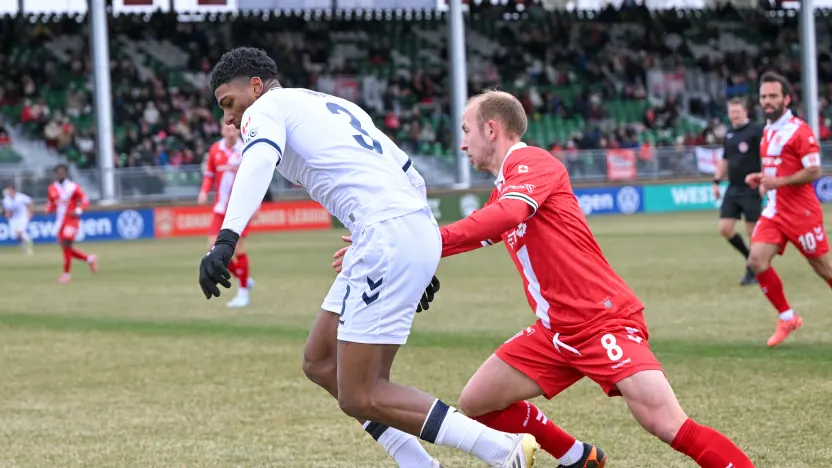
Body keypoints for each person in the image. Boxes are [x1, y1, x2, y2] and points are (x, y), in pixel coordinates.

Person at [333, 89, 755, 468]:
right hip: (555, 330)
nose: (462, 144)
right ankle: (578, 457)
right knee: (479, 401)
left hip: (601, 321)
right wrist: (393, 249)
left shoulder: (533, 162)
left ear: (491, 129)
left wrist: (416, 241)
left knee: (667, 424)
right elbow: (475, 233)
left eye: (466, 131)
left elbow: (507, 215)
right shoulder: (505, 186)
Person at [196, 47, 538, 468]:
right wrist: (421, 251)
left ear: (255, 86)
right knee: (321, 362)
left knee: (362, 392)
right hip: (396, 231)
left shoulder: (265, 108)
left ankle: (501, 450)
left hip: (384, 235)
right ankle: (420, 464)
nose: (230, 117)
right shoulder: (335, 105)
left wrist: (226, 239)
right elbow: (412, 175)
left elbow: (260, 160)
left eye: (229, 103)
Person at [744, 71, 831, 347]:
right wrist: (762, 178)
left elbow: (814, 170)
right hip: (775, 211)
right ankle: (787, 317)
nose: (767, 101)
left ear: (786, 99)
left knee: (825, 270)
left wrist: (778, 181)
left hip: (802, 213)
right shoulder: (768, 129)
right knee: (756, 260)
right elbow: (778, 168)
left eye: (773, 96)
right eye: (763, 96)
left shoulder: (799, 130)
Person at [198, 121, 256, 308]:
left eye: (233, 129)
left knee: (238, 250)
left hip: (240, 209)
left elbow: (255, 179)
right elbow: (209, 175)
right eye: (227, 129)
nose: (231, 132)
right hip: (220, 208)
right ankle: (242, 277)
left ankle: (243, 293)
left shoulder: (245, 149)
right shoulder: (215, 149)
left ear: (238, 130)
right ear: (222, 130)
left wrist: (255, 206)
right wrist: (204, 191)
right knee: (212, 248)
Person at [713, 97, 764, 286]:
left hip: (751, 188)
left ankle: (753, 270)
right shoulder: (729, 133)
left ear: (745, 112)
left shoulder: (756, 130)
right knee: (725, 229)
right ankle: (751, 259)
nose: (734, 115)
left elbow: (765, 155)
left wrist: (764, 180)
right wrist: (716, 181)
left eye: (737, 112)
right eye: (731, 112)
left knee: (753, 233)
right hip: (733, 188)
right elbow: (725, 159)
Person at [46, 164, 97, 284]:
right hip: (60, 222)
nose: (60, 174)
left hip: (71, 220)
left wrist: (78, 210)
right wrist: (48, 209)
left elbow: (85, 201)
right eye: (58, 172)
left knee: (66, 243)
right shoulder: (52, 188)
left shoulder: (73, 187)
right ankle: (89, 259)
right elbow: (52, 203)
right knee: (66, 248)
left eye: (63, 172)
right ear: (55, 174)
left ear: (66, 173)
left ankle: (66, 274)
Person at [2, 185, 34, 255]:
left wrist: (30, 212)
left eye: (10, 191)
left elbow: (30, 202)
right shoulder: (6, 200)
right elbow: (8, 211)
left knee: (20, 232)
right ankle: (26, 245)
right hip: (13, 218)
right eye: (8, 191)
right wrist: (7, 214)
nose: (9, 192)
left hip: (23, 217)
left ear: (13, 191)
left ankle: (28, 244)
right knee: (16, 234)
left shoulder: (21, 197)